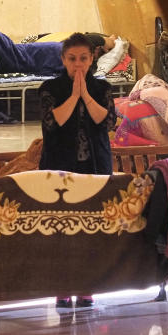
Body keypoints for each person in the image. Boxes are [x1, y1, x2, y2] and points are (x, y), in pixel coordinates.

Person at [38, 32, 117, 309]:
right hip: (59, 168)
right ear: (63, 60)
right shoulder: (50, 88)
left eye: (83, 58)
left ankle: (87, 286)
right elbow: (52, 123)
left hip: (94, 167)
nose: (78, 64)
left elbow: (106, 122)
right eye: (72, 59)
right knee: (62, 230)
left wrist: (85, 94)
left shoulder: (102, 88)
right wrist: (73, 96)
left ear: (92, 58)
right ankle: (62, 288)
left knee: (91, 230)